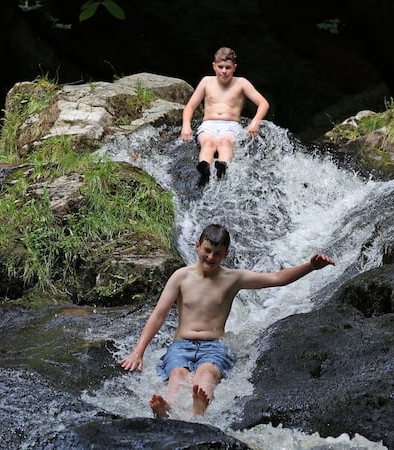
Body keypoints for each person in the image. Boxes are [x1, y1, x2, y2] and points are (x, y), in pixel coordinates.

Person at [119, 223, 335, 418]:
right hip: (181, 344)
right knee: (177, 373)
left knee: (208, 373)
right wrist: (138, 352)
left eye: (218, 254)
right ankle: (167, 408)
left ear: (226, 254)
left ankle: (199, 408)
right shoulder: (181, 276)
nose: (211, 258)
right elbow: (159, 315)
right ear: (197, 246)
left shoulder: (233, 278)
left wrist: (310, 266)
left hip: (213, 346)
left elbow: (276, 279)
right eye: (207, 250)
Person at [180, 47, 270, 186]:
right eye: (220, 67)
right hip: (208, 125)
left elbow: (263, 103)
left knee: (225, 143)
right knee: (208, 143)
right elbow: (190, 107)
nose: (224, 71)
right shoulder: (206, 82)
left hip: (231, 126)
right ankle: (204, 169)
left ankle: (223, 167)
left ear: (234, 67)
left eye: (228, 67)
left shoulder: (241, 83)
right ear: (214, 66)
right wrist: (186, 126)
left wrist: (255, 122)